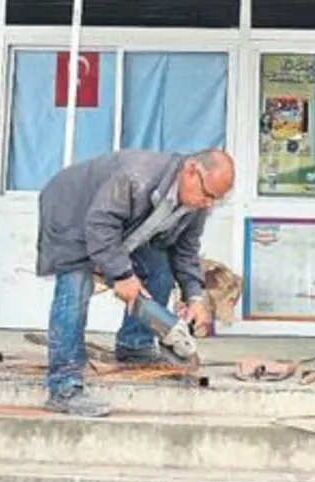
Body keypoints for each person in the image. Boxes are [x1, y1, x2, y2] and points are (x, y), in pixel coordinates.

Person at [35, 148, 236, 417]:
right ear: (190, 170)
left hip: (116, 224)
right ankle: (64, 385)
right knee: (76, 285)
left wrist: (195, 296)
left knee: (158, 272)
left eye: (216, 200)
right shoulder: (135, 177)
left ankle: (134, 346)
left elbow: (185, 251)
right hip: (71, 210)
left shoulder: (196, 205)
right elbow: (100, 225)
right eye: (208, 194)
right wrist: (122, 276)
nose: (208, 204)